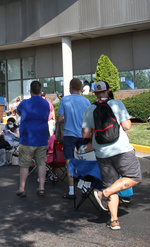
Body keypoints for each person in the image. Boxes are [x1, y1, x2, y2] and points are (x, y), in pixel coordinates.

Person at [82, 81, 142, 231]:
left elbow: (86, 134)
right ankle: (104, 193)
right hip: (121, 149)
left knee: (110, 183)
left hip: (102, 153)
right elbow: (127, 126)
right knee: (134, 177)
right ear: (108, 91)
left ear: (95, 93)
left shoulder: (90, 109)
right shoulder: (117, 104)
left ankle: (114, 221)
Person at [56, 78, 91, 199]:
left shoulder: (65, 100)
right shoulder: (86, 101)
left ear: (71, 87)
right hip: (82, 134)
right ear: (81, 87)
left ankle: (71, 191)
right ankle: (85, 187)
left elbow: (60, 119)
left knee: (69, 160)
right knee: (83, 159)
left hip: (69, 134)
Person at [15, 80, 51, 197]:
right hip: (41, 137)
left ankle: (22, 188)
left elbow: (18, 111)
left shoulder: (25, 103)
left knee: (24, 164)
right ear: (40, 91)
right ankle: (41, 188)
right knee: (41, 163)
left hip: (27, 139)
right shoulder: (46, 104)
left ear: (30, 90)